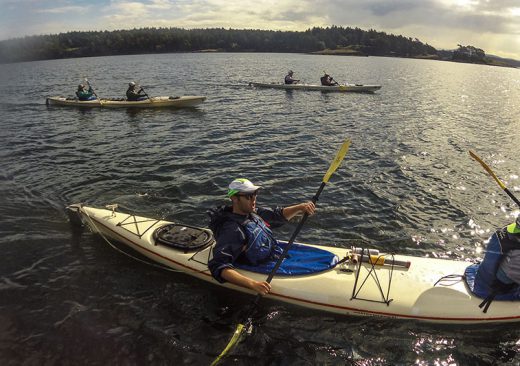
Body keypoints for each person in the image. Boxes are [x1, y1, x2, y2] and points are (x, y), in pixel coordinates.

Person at [207, 178, 315, 295]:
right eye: (248, 196)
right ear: (234, 198)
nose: (253, 200)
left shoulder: (252, 213)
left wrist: (300, 207)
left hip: (274, 255)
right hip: (259, 265)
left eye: (255, 194)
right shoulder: (232, 230)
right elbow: (218, 265)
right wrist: (253, 284)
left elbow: (276, 216)